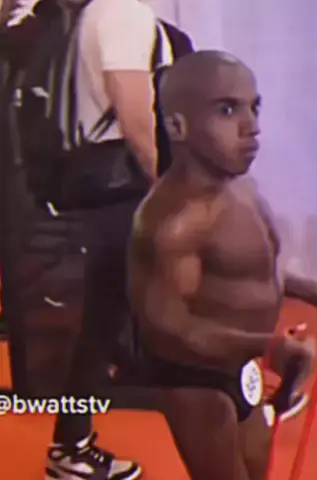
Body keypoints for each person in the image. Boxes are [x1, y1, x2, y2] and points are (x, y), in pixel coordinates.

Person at [128, 50, 317, 480]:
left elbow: (245, 272)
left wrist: (314, 291)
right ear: (177, 126)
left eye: (254, 107)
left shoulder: (242, 189)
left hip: (243, 366)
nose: (251, 125)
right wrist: (269, 346)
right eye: (227, 110)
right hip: (196, 381)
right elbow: (166, 329)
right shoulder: (173, 220)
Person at [45, 0, 161, 478]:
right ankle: (70, 447)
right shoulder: (122, 11)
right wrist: (168, 185)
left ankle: (71, 443)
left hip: (86, 179)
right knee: (101, 324)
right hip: (116, 185)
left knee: (103, 321)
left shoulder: (87, 12)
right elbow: (133, 112)